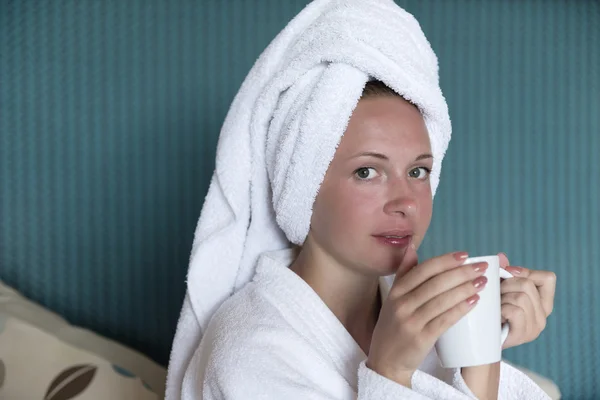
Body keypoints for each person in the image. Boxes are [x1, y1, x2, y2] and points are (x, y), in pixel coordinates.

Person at [166, 1, 556, 399]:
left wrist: (480, 347)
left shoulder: (418, 319)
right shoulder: (249, 352)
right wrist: (389, 373)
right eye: (367, 172)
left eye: (418, 171)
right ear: (303, 187)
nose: (405, 202)